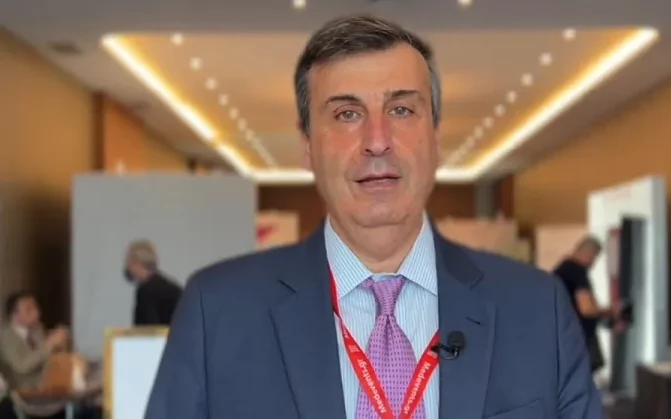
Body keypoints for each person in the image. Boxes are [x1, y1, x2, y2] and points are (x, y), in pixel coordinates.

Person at [146, 14, 601, 419]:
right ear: (307, 146)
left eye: (401, 110)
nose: (377, 141)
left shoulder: (537, 310)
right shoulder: (217, 313)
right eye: (347, 114)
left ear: (435, 138)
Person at [553, 236, 624, 375]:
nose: (593, 263)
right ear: (588, 254)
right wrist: (612, 310)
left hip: (563, 339)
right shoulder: (577, 272)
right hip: (579, 339)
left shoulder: (559, 271)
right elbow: (586, 309)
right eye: (595, 258)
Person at [0, 291, 68, 389]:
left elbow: (45, 359)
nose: (37, 312)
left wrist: (60, 346)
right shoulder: (6, 336)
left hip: (46, 383)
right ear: (14, 315)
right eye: (29, 309)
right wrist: (49, 344)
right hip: (21, 389)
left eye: (36, 307)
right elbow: (22, 366)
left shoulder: (37, 328)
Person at [124, 240, 183, 326]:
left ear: (137, 263)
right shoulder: (172, 288)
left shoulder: (145, 291)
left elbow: (148, 329)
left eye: (128, 262)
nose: (127, 267)